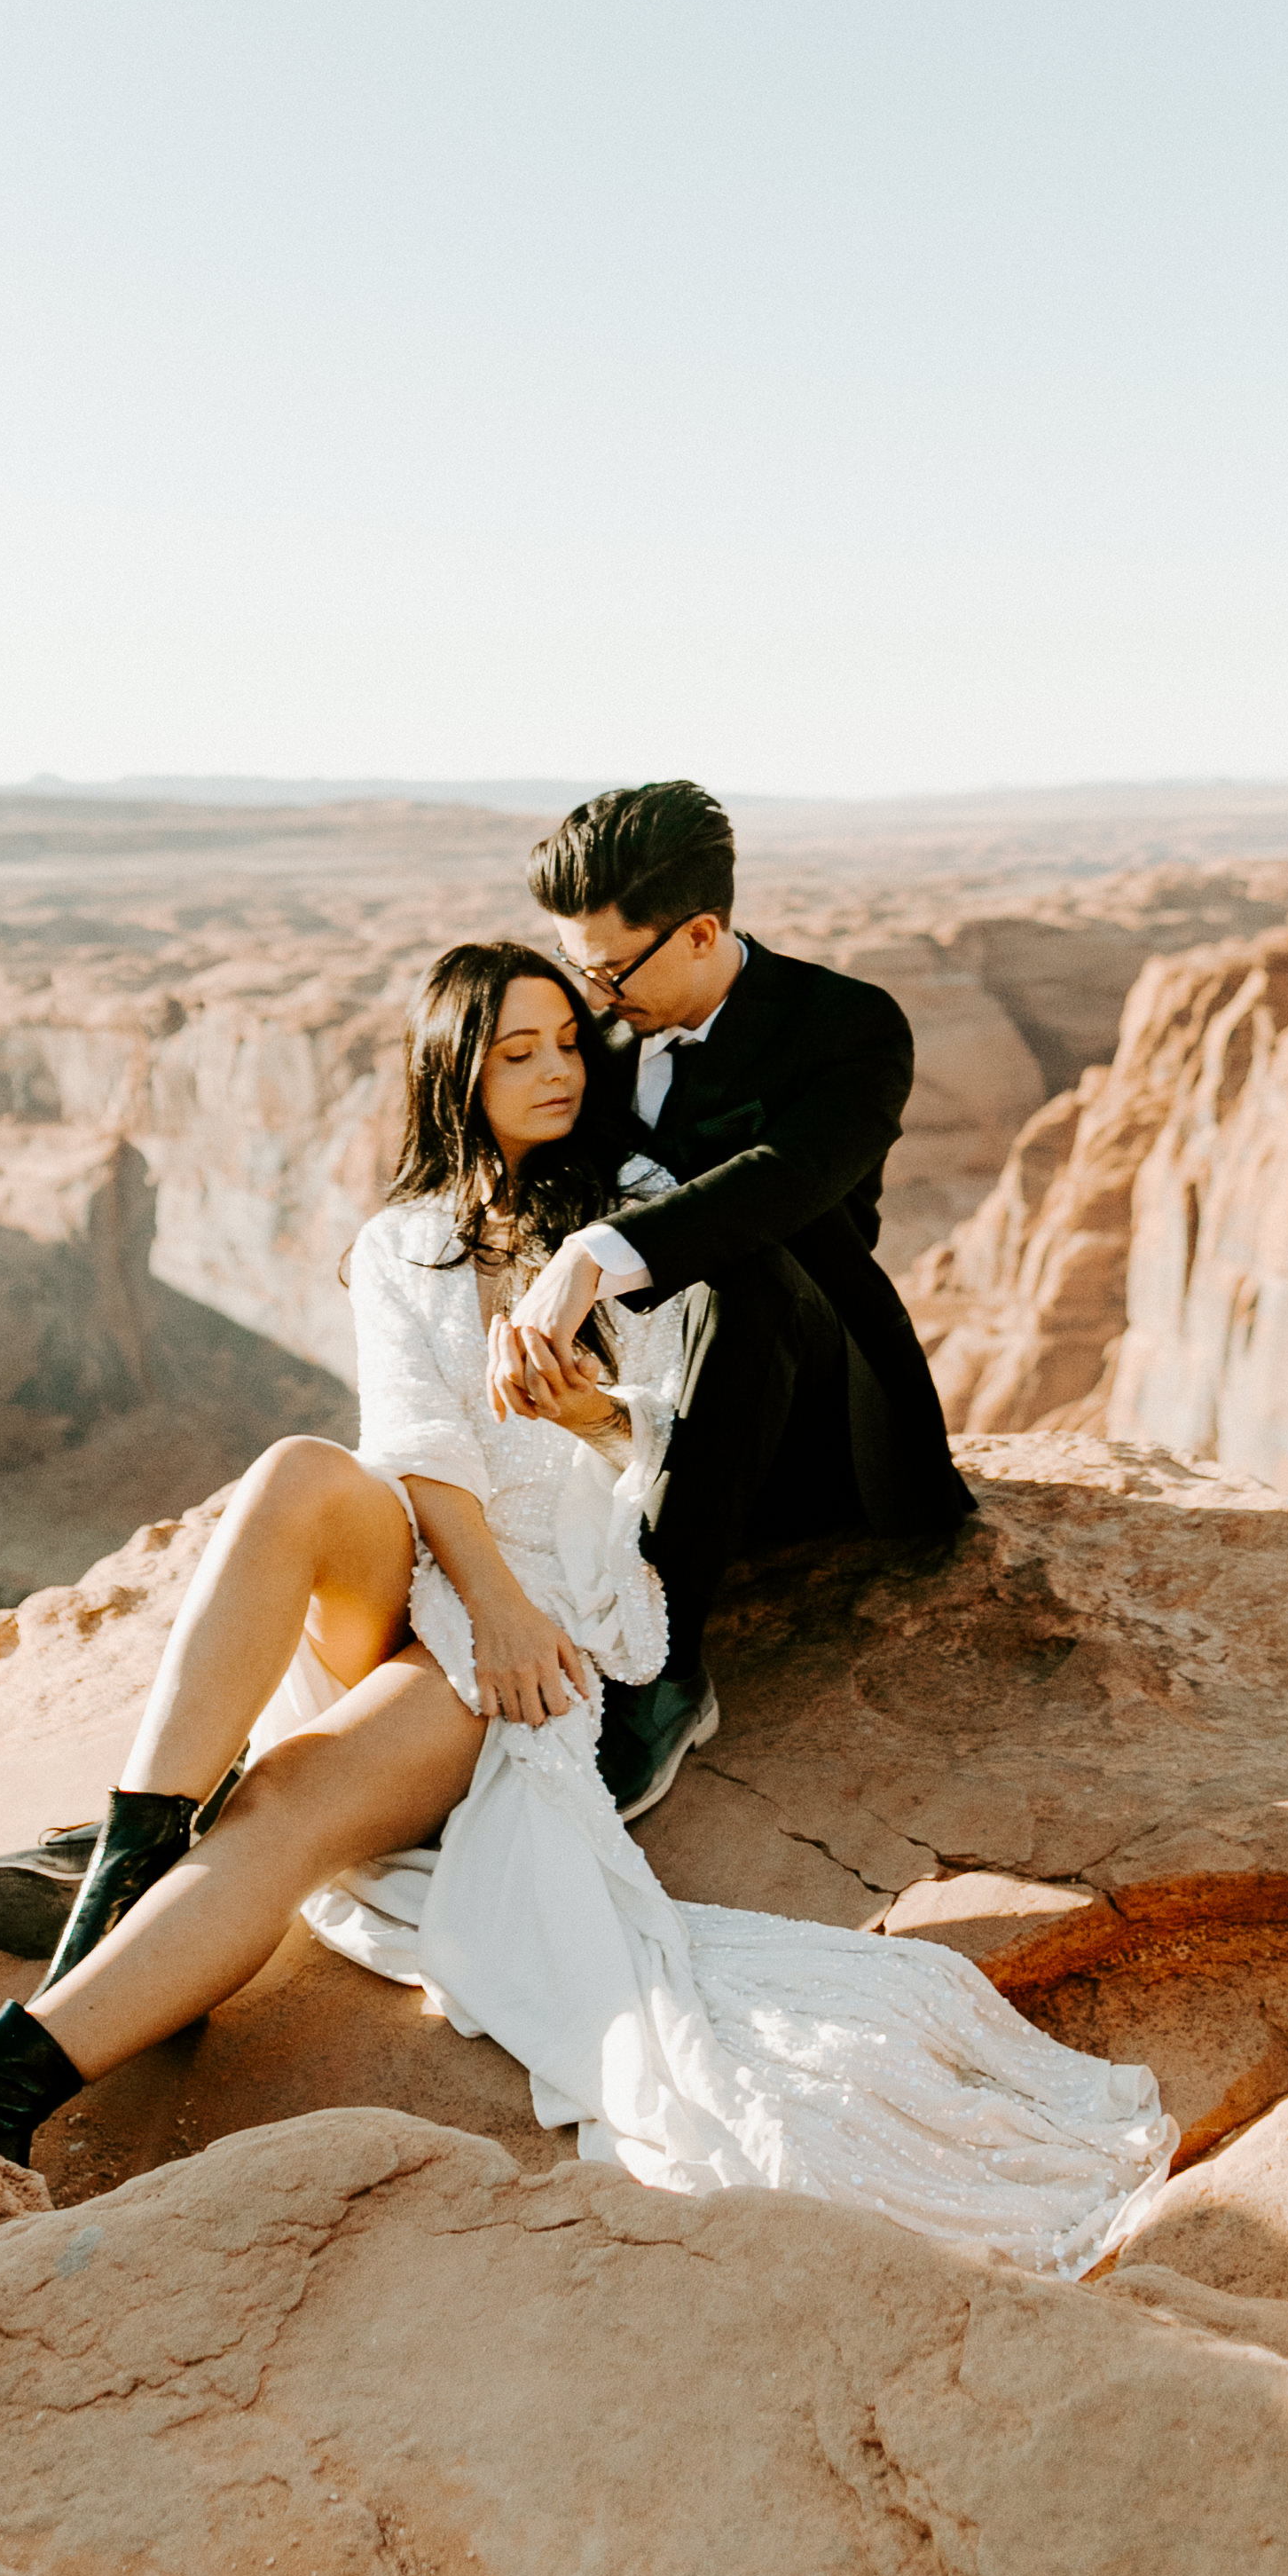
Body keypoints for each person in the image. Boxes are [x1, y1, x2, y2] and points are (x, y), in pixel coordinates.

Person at [0, 943, 1174, 2279]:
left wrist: (591, 1416)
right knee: (298, 1475)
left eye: (568, 1041)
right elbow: (415, 1433)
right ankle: (122, 1890)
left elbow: (674, 1442)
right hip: (446, 1571)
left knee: (284, 1802)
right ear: (457, 1069)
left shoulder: (642, 1219)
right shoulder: (405, 1239)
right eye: (518, 1050)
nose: (557, 1070)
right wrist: (476, 1592)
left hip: (561, 1608)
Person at [503, 776, 977, 1821]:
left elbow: (784, 1180)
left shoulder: (847, 1026)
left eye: (608, 969)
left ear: (701, 931)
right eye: (578, 971)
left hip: (817, 1428)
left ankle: (665, 1669)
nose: (592, 995)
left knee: (745, 1260)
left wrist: (595, 1251)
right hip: (636, 1422)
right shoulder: (606, 1048)